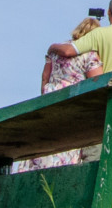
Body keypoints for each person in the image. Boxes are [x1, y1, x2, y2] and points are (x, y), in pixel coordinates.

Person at [13, 15, 104, 172]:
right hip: (72, 102)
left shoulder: (56, 51)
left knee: (43, 145)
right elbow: (97, 82)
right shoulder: (89, 54)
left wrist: (47, 93)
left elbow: (44, 77)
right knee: (66, 147)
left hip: (50, 98)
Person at [49, 0, 112, 75]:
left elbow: (68, 51)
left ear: (108, 11)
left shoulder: (99, 33)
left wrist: (53, 47)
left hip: (107, 88)